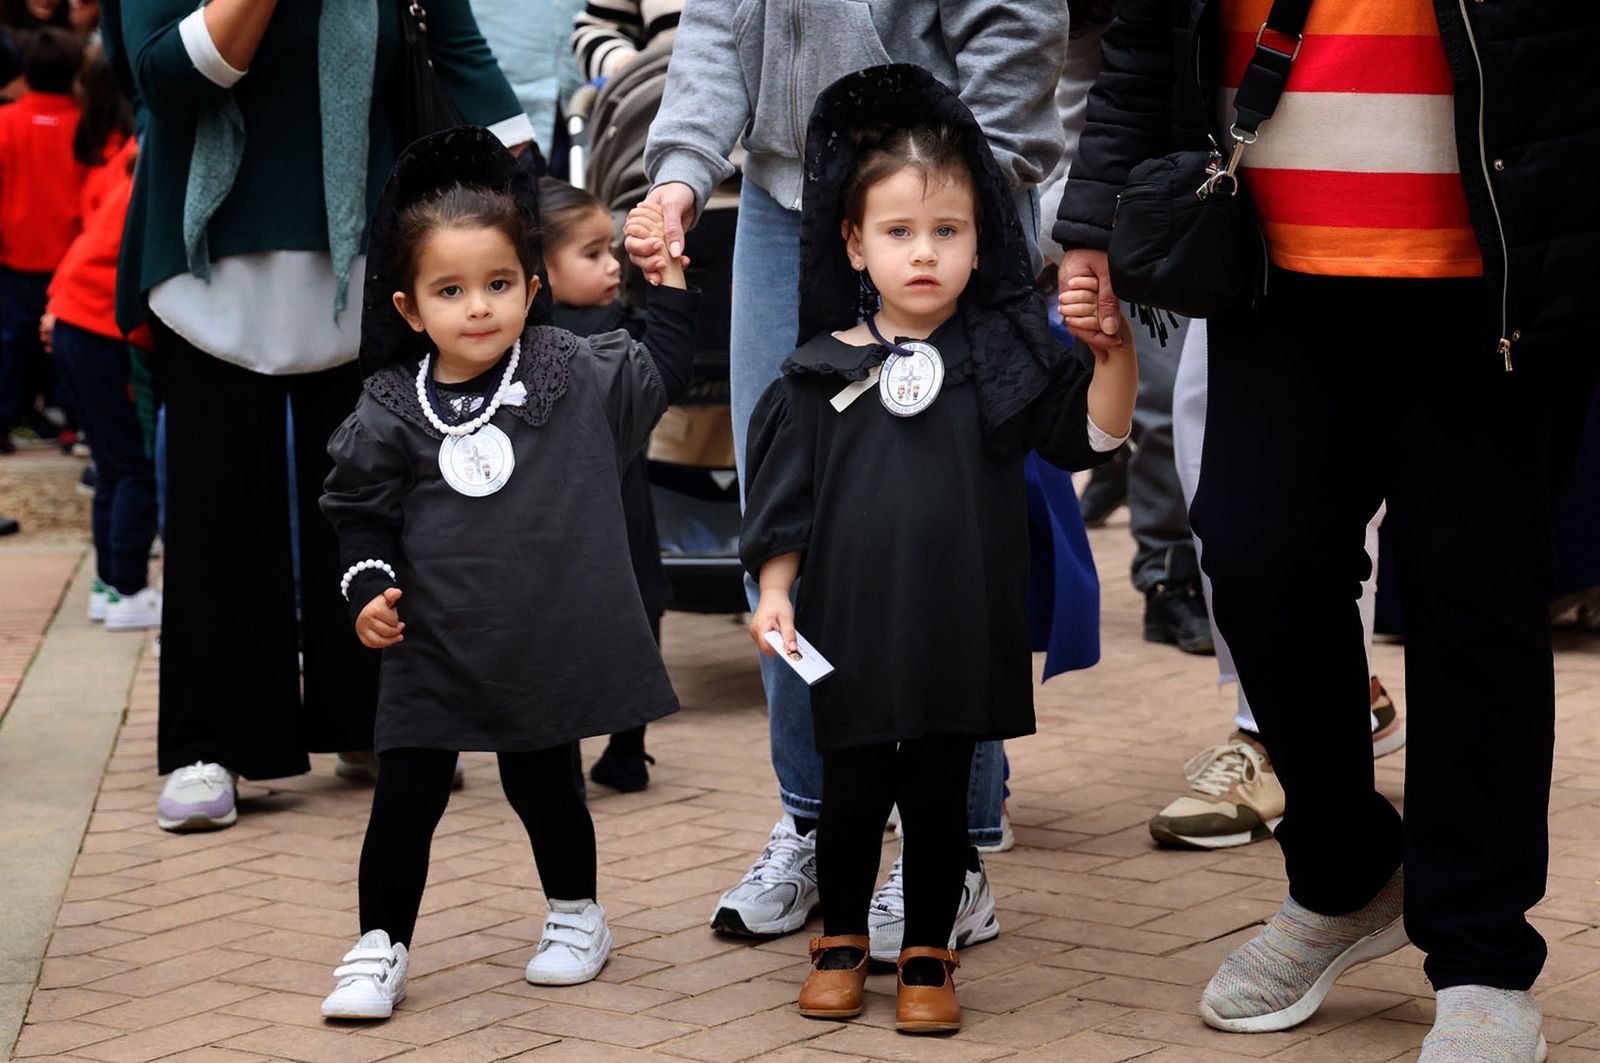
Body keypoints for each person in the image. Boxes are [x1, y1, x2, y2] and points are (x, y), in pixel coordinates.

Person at [1056, 0, 1600, 1056]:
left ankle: (1481, 954)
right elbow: (1147, 34)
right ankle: (1346, 874)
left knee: (1472, 601)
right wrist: (1090, 221)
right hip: (1272, 264)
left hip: (1493, 266)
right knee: (1254, 555)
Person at [632, 0, 1066, 950]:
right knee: (785, 514)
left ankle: (955, 852)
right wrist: (679, 174)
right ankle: (813, 816)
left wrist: (970, 194)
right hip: (782, 197)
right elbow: (716, 20)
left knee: (956, 528)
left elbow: (1015, 23)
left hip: (941, 195)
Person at [742, 65, 1137, 1035]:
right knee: (848, 794)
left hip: (959, 626)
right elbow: (786, 504)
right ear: (854, 241)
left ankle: (928, 952)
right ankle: (840, 941)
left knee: (936, 801)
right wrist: (777, 591)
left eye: (947, 230)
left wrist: (1114, 356)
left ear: (981, 239)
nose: (923, 252)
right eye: (898, 231)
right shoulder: (817, 370)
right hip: (850, 630)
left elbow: (1090, 435)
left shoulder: (1004, 361)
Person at [102, 0, 531, 831]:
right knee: (218, 509)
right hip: (203, 257)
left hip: (366, 259)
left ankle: (373, 718)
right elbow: (165, 81)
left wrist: (527, 186)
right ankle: (211, 740)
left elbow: (457, 51)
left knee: (369, 500)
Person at [317, 128, 696, 1019]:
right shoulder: (390, 406)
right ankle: (379, 944)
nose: (477, 307)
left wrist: (667, 277)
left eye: (497, 284)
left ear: (530, 287)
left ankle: (576, 914)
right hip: (432, 645)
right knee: (405, 798)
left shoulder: (571, 373)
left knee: (545, 786)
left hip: (541, 643)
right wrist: (367, 587)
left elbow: (664, 369)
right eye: (450, 291)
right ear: (411, 308)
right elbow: (359, 513)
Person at [540, 176, 676, 791]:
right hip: (613, 506)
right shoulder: (613, 329)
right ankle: (619, 749)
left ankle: (585, 757)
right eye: (592, 254)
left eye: (610, 251)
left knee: (576, 623)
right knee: (635, 609)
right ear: (543, 269)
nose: (612, 265)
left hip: (586, 510)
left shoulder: (528, 340)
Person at [41, 45, 159, 630]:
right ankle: (128, 588)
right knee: (131, 464)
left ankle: (111, 583)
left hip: (76, 320)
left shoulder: (119, 158)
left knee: (114, 464)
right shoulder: (138, 157)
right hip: (99, 325)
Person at [0, 27, 84, 454]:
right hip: (71, 259)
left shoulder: (6, 121)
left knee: (11, 343)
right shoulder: (86, 123)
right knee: (66, 347)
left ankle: (5, 421)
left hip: (15, 256)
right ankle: (73, 424)